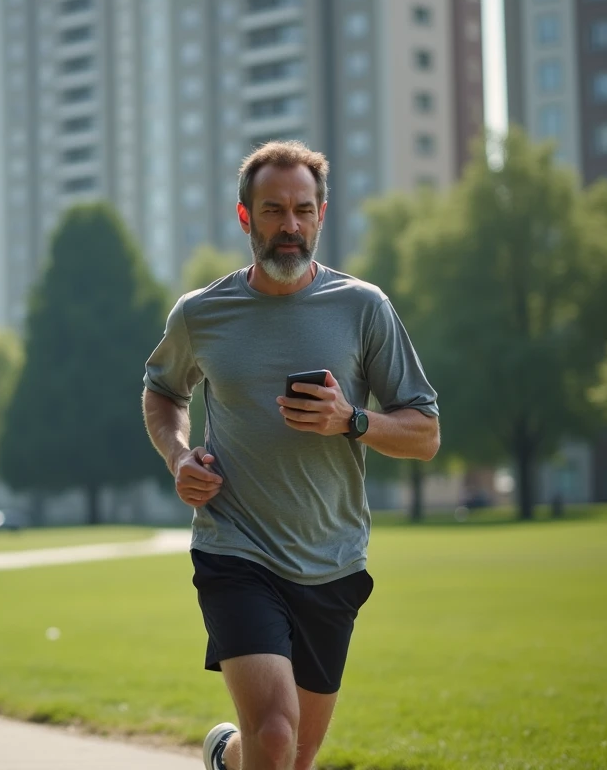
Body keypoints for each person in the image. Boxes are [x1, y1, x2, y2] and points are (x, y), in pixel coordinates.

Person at [141, 141, 440, 770]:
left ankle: (225, 756)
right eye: (274, 210)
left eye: (303, 209)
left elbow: (425, 432)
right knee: (275, 735)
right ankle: (243, 750)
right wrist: (178, 458)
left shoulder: (363, 308)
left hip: (332, 559)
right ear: (246, 217)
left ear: (322, 215)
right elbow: (163, 391)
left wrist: (351, 420)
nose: (290, 225)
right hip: (235, 549)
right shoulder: (202, 314)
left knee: (292, 758)